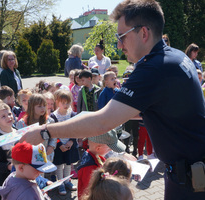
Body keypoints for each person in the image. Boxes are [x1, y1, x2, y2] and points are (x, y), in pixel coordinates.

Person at [21, 0, 205, 199]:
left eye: (122, 37)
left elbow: (103, 121)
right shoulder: (174, 57)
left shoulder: (154, 68)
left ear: (143, 33)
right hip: (189, 173)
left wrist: (46, 131)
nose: (119, 45)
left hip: (190, 181)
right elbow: (151, 110)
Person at [77, 130, 125, 198]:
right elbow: (91, 191)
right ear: (98, 148)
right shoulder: (90, 168)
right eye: (109, 149)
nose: (111, 150)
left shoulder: (96, 156)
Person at [50, 89, 78, 195]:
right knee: (59, 165)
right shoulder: (53, 116)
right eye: (63, 103)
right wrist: (59, 144)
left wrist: (71, 141)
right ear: (57, 102)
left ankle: (67, 181)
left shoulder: (72, 114)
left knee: (67, 164)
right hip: (59, 146)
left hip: (69, 144)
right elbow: (53, 133)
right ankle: (60, 183)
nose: (66, 105)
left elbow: (75, 130)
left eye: (68, 102)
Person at [16, 94, 57, 162]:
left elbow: (54, 136)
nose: (43, 108)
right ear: (32, 107)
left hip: (44, 154)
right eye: (39, 106)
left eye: (44, 105)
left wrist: (51, 146)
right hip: (28, 155)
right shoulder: (22, 123)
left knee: (41, 172)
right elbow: (18, 140)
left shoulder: (49, 121)